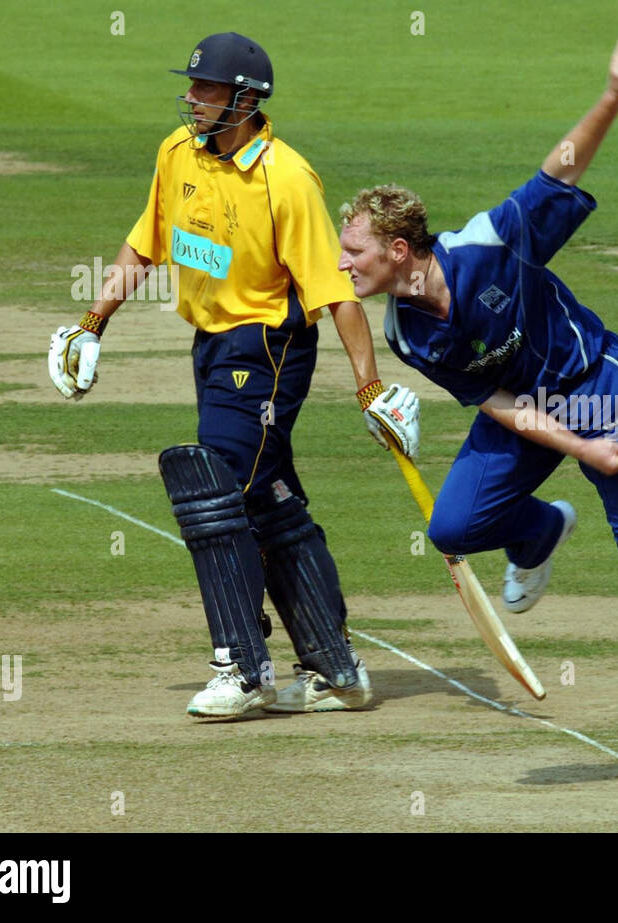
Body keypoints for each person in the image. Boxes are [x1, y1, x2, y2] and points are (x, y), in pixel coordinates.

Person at [335, 23, 618, 804]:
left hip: (600, 389)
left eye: (354, 251)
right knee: (453, 527)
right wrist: (576, 451)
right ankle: (541, 531)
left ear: (400, 248)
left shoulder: (492, 243)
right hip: (531, 410)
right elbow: (497, 405)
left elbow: (560, 166)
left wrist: (613, 94)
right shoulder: (404, 331)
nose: (342, 263)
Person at [47, 32, 420, 719]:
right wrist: (92, 321)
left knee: (211, 485)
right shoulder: (176, 152)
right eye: (191, 88)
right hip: (211, 348)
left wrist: (370, 388)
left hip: (269, 350)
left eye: (206, 90)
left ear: (245, 100)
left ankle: (241, 668)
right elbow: (146, 239)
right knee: (268, 500)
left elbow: (335, 296)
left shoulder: (288, 178)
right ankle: (336, 670)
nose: (191, 99)